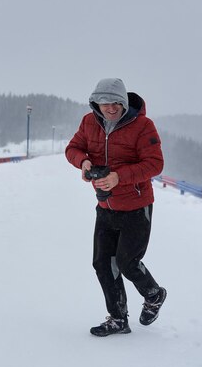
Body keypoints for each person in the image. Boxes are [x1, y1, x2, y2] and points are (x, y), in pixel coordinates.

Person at [65, 78, 166, 337]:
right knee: (102, 263)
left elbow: (155, 164)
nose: (110, 108)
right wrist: (84, 162)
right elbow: (73, 148)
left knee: (127, 262)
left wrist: (120, 176)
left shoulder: (143, 126)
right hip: (105, 205)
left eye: (116, 103)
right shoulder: (89, 122)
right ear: (95, 102)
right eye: (104, 102)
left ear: (123, 102)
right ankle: (118, 319)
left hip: (136, 206)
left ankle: (154, 294)